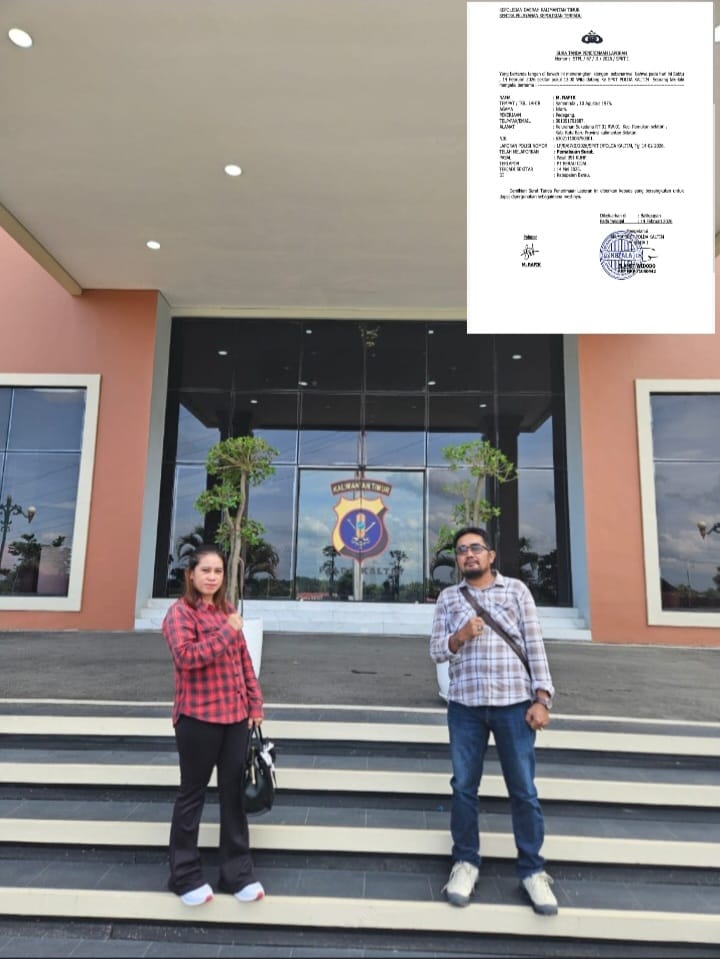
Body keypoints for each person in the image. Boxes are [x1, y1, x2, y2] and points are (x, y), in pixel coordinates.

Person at [429, 526, 558, 916]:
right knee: (463, 788)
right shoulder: (449, 598)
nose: (468, 554)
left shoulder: (516, 591)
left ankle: (532, 870)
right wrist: (460, 636)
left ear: (490, 555)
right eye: (461, 550)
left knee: (523, 790)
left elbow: (534, 644)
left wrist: (542, 698)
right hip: (465, 706)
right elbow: (437, 650)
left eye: (475, 548)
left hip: (513, 705)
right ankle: (465, 862)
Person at [162, 543, 265, 907]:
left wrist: (255, 702)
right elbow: (187, 657)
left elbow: (243, 661)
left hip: (236, 718)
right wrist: (226, 633)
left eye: (218, 571)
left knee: (233, 795)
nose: (212, 577)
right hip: (197, 718)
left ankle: (237, 873)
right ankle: (184, 875)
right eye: (205, 570)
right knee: (192, 795)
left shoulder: (227, 610)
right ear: (190, 574)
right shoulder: (179, 614)